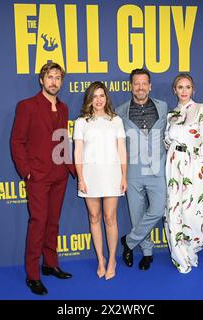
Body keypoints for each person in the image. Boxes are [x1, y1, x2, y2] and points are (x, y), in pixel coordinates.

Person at [10, 62, 76, 295]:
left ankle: (50, 264)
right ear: (41, 80)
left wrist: (74, 171)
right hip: (37, 176)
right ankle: (33, 275)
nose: (54, 82)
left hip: (60, 176)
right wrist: (27, 172)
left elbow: (63, 141)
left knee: (53, 223)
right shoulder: (27, 106)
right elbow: (17, 142)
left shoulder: (65, 108)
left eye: (58, 78)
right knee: (38, 223)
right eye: (50, 77)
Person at [73, 81, 127, 280]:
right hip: (89, 177)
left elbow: (122, 150)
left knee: (110, 218)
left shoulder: (116, 121)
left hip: (112, 175)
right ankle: (101, 259)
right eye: (94, 96)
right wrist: (81, 178)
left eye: (101, 95)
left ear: (106, 98)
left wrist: (124, 176)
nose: (98, 100)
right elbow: (77, 152)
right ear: (90, 99)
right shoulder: (81, 122)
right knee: (94, 217)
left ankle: (112, 258)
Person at [116, 69, 168, 271]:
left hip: (157, 169)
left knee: (157, 209)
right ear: (131, 86)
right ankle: (147, 253)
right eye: (136, 83)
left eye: (144, 83)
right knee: (136, 214)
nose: (140, 87)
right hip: (134, 170)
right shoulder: (121, 111)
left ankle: (128, 242)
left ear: (150, 86)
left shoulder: (163, 107)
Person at [164, 73, 203, 274]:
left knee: (193, 209)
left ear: (193, 90)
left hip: (194, 166)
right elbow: (167, 141)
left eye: (187, 87)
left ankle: (192, 250)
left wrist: (200, 167)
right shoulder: (171, 115)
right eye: (180, 87)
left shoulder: (202, 109)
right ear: (174, 90)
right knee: (174, 209)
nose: (184, 91)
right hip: (174, 163)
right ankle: (179, 255)